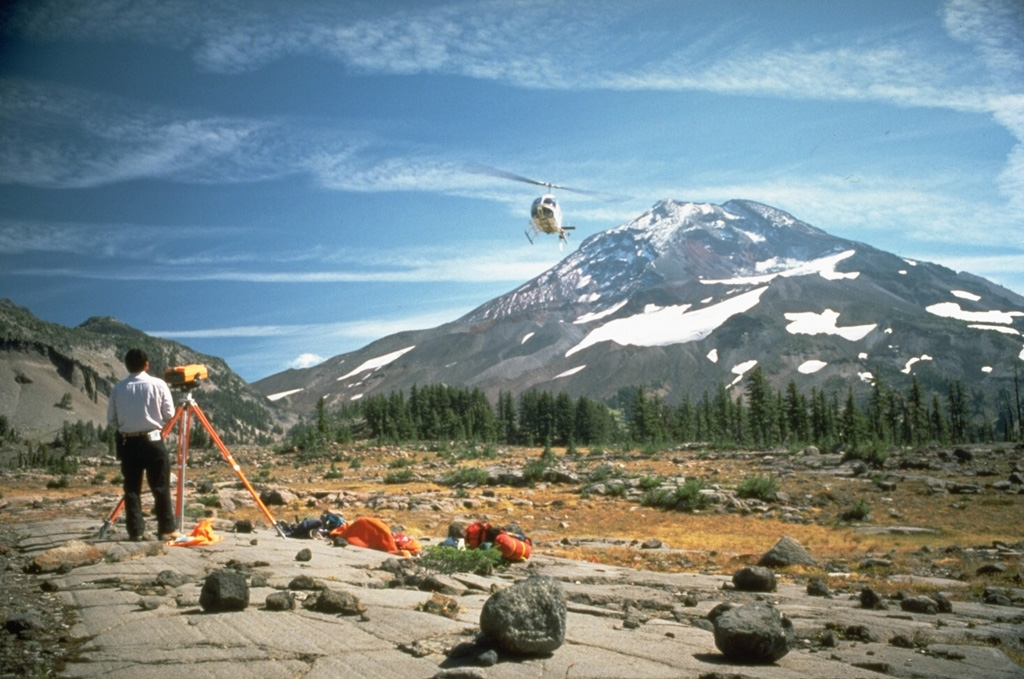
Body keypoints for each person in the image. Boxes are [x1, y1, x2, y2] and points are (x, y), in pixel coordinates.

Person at [106, 348, 180, 541]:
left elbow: (112, 420)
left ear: (127, 365)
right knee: (161, 486)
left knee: (131, 488)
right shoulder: (159, 384)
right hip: (153, 439)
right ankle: (166, 529)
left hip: (128, 442)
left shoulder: (118, 388)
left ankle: (135, 532)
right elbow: (169, 414)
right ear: (147, 364)